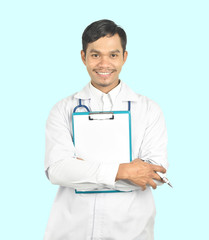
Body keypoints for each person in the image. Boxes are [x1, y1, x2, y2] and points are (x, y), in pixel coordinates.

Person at [44, 19, 168, 240]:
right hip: (72, 230)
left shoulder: (149, 109)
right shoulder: (62, 109)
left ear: (124, 57)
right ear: (83, 57)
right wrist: (124, 171)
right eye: (95, 55)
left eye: (113, 55)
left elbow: (154, 175)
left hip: (131, 230)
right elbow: (58, 171)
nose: (104, 64)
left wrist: (82, 171)